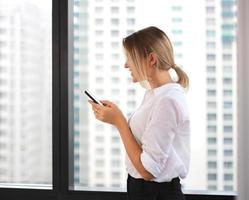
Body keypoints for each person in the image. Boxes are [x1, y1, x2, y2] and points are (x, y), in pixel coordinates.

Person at [88, 26, 190, 200]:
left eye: (130, 57)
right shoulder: (155, 95)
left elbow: (148, 170)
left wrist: (119, 121)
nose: (126, 64)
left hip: (155, 193)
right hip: (143, 190)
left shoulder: (167, 101)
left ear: (151, 59)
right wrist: (116, 116)